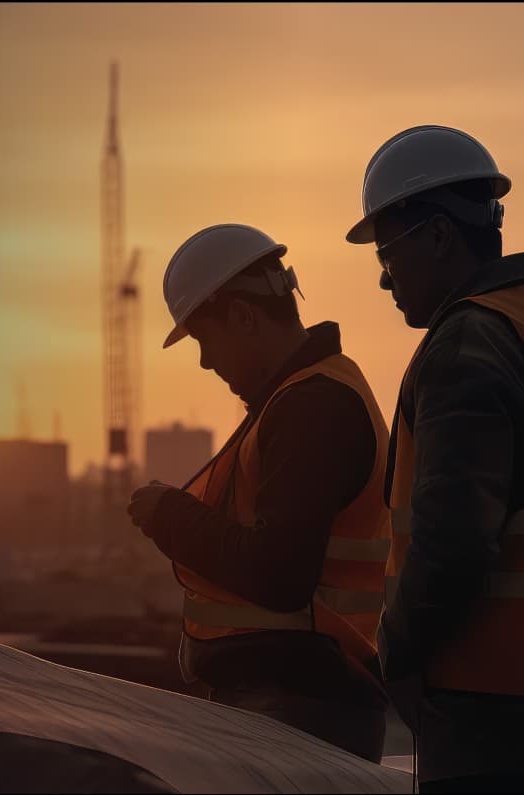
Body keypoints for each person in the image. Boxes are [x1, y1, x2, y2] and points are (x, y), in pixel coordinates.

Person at [345, 125, 524, 792]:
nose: (383, 278)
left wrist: (397, 652)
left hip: (490, 724)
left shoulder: (469, 345)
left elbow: (454, 542)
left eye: (388, 253)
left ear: (440, 235)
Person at [125, 223, 394, 762]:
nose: (206, 362)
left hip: (302, 710)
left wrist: (169, 515)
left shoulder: (312, 408)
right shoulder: (300, 400)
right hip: (300, 703)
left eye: (204, 340)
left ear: (244, 318)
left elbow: (279, 574)